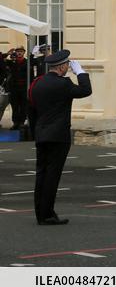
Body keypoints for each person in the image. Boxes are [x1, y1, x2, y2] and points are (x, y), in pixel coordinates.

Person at [27, 49, 92, 225]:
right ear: (62, 67)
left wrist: (36, 132)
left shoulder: (37, 83)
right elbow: (85, 90)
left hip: (42, 134)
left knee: (41, 174)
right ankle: (47, 214)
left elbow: (31, 110)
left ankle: (41, 213)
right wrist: (80, 72)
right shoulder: (64, 84)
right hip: (58, 136)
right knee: (52, 176)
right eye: (67, 66)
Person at [6, 47, 29, 131]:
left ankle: (22, 122)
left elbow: (30, 75)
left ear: (24, 52)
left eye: (21, 51)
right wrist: (7, 54)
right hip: (14, 88)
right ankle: (15, 122)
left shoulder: (27, 62)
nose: (19, 53)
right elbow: (2, 61)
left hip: (24, 87)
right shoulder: (12, 62)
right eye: (18, 51)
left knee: (23, 105)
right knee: (14, 106)